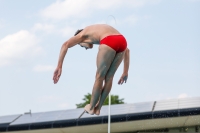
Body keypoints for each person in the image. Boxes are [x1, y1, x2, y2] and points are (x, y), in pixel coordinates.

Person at [53, 24, 130, 115]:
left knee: (99, 76)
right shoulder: (95, 30)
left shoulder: (81, 35)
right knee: (109, 77)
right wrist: (125, 71)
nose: (85, 48)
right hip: (122, 41)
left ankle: (91, 106)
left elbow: (65, 45)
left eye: (81, 46)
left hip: (109, 40)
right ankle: (98, 108)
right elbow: (127, 50)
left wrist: (59, 66)